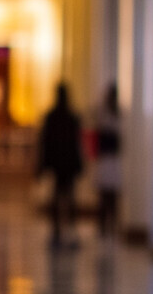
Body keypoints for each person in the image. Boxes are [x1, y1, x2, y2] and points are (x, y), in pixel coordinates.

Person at [37, 83, 84, 248]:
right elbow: (46, 142)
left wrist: (42, 165)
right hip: (64, 164)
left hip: (62, 164)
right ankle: (61, 231)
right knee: (63, 197)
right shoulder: (67, 117)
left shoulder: (60, 117)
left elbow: (75, 143)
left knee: (64, 197)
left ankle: (63, 231)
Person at [94, 83, 121, 237]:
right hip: (106, 159)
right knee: (104, 195)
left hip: (112, 160)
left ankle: (111, 226)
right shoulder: (104, 113)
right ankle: (103, 226)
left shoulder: (117, 114)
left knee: (112, 195)